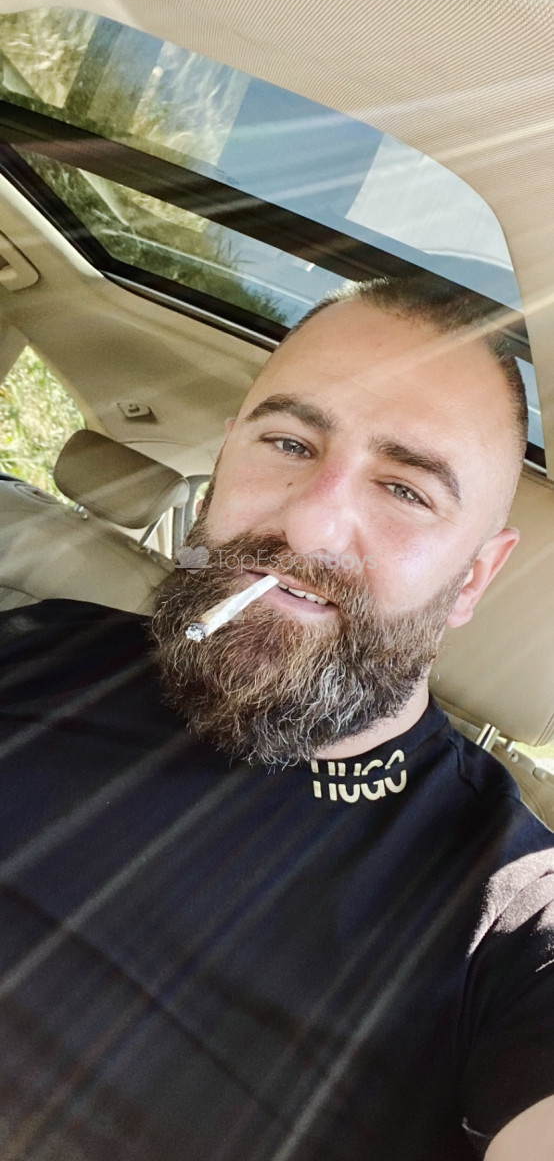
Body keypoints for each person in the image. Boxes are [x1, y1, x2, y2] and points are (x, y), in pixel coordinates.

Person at [0, 277, 552, 1161]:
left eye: (406, 489)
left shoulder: (511, 909)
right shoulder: (46, 646)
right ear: (224, 464)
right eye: (289, 443)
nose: (310, 526)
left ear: (474, 579)